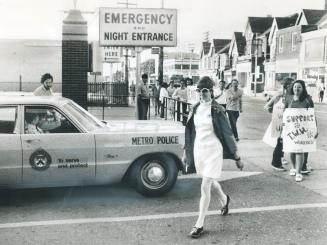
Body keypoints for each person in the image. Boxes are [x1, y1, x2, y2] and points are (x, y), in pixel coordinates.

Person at [183, 76, 243, 239]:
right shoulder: (195, 108)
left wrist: (236, 156)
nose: (202, 94)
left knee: (204, 186)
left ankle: (199, 224)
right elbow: (190, 132)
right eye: (200, 91)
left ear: (211, 91)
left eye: (205, 91)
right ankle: (224, 200)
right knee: (208, 181)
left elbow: (227, 134)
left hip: (214, 150)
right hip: (199, 150)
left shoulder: (217, 110)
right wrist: (185, 152)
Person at [284, 80, 318, 182]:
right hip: (291, 129)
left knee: (300, 150)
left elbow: (312, 115)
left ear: (303, 89)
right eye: (295, 87)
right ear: (292, 88)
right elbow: (284, 113)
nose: (296, 89)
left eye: (299, 87)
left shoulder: (307, 100)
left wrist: (316, 128)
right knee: (291, 150)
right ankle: (294, 168)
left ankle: (298, 172)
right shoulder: (288, 99)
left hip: (303, 129)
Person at [263, 78, 293, 171]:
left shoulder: (291, 95)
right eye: (291, 84)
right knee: (281, 142)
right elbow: (268, 106)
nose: (292, 86)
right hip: (280, 121)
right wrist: (274, 108)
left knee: (284, 141)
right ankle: (276, 163)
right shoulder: (280, 94)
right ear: (287, 85)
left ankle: (280, 158)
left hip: (289, 121)